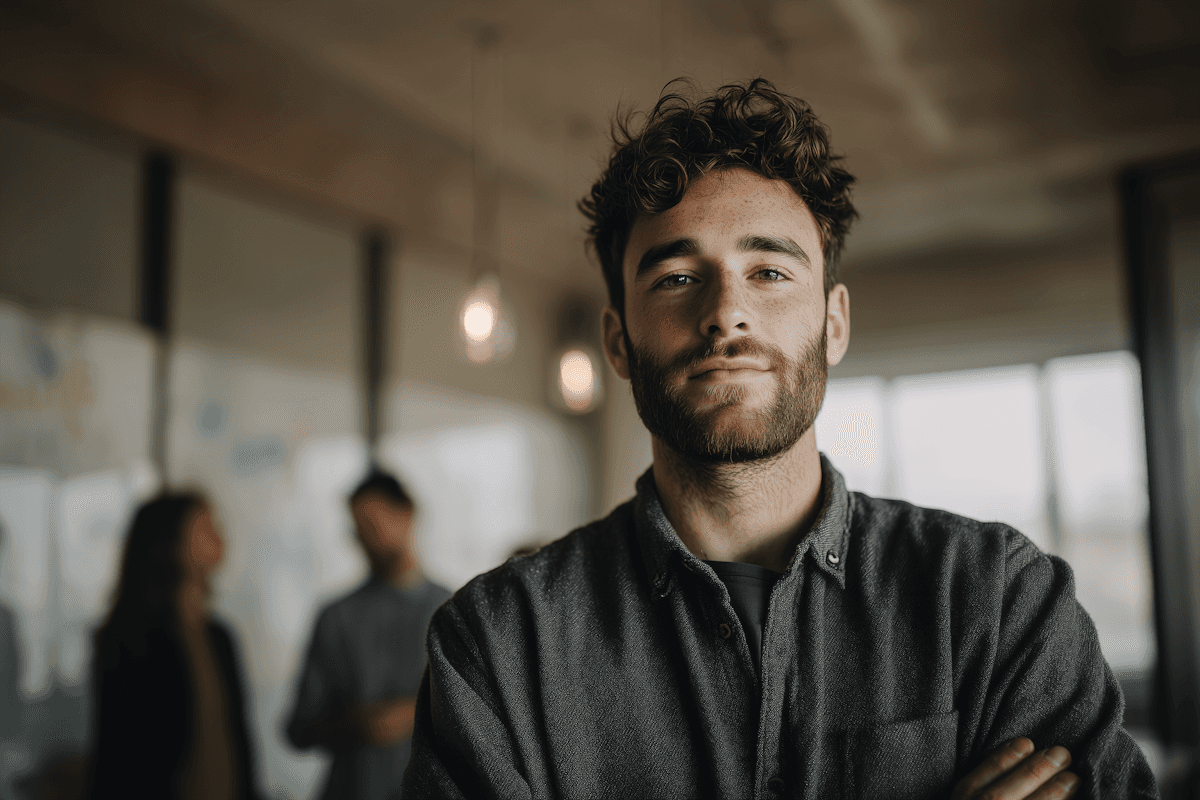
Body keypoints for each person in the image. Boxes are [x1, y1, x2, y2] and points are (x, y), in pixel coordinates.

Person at [401, 80, 1158, 799]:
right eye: (674, 278)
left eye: (768, 271)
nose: (726, 313)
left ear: (834, 324)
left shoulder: (997, 602)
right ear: (618, 341)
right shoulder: (497, 648)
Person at [285, 470, 451, 800]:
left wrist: (412, 715)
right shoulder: (337, 617)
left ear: (408, 514)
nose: (369, 540)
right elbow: (299, 728)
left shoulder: (452, 611)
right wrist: (355, 725)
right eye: (359, 531)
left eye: (375, 526)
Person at [87, 491, 260, 800]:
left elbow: (237, 745)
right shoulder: (132, 640)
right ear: (169, 544)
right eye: (205, 527)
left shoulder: (220, 638)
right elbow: (120, 756)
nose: (219, 535)